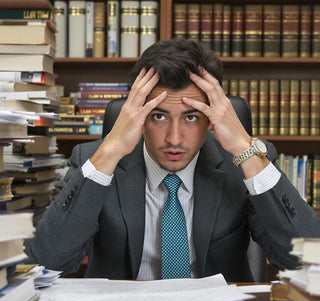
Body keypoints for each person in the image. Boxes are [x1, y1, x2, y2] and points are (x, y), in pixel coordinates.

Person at [25, 39, 320, 282]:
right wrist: (109, 151)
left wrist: (244, 147)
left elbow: (308, 266)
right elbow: (47, 265)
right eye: (158, 116)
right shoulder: (96, 163)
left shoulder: (241, 165)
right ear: (136, 116)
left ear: (212, 119)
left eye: (191, 117)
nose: (174, 138)